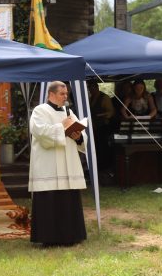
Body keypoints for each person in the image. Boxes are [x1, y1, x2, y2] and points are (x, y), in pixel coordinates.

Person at [28, 80, 87, 246]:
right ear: (51, 94)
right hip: (49, 164)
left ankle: (71, 236)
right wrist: (62, 126)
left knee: (68, 200)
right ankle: (48, 238)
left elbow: (80, 131)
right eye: (62, 94)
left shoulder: (68, 111)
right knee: (49, 200)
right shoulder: (40, 111)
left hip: (67, 162)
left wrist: (79, 137)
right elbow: (40, 132)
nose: (65, 97)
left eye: (66, 94)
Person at [87, 80, 116, 172]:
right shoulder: (91, 98)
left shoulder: (104, 98)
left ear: (97, 87)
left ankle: (105, 168)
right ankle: (98, 167)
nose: (91, 90)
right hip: (94, 127)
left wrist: (100, 115)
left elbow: (111, 112)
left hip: (103, 126)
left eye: (92, 88)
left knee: (104, 148)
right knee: (97, 148)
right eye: (89, 88)